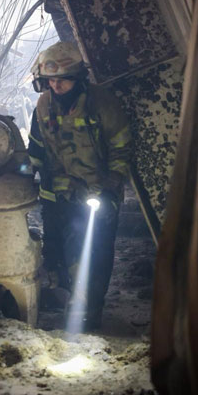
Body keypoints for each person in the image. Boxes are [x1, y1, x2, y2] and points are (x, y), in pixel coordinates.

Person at [28, 41, 132, 330]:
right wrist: (28, 173)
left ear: (78, 78)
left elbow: (121, 149)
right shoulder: (43, 105)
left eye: (63, 80)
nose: (56, 86)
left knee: (96, 250)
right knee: (60, 251)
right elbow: (36, 148)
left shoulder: (102, 104)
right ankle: (72, 299)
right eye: (51, 80)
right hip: (59, 192)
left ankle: (91, 308)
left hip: (98, 192)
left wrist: (111, 188)